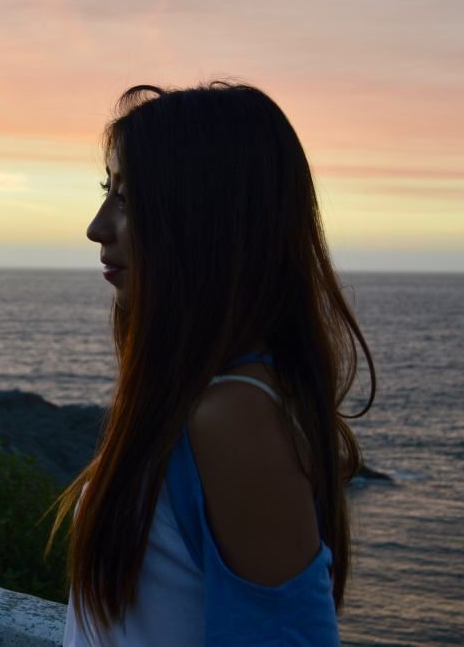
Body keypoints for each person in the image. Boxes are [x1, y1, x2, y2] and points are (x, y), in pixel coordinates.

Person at [54, 82, 376, 645]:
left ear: (203, 217)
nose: (97, 226)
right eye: (110, 191)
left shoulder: (233, 415)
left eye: (128, 199)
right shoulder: (198, 401)